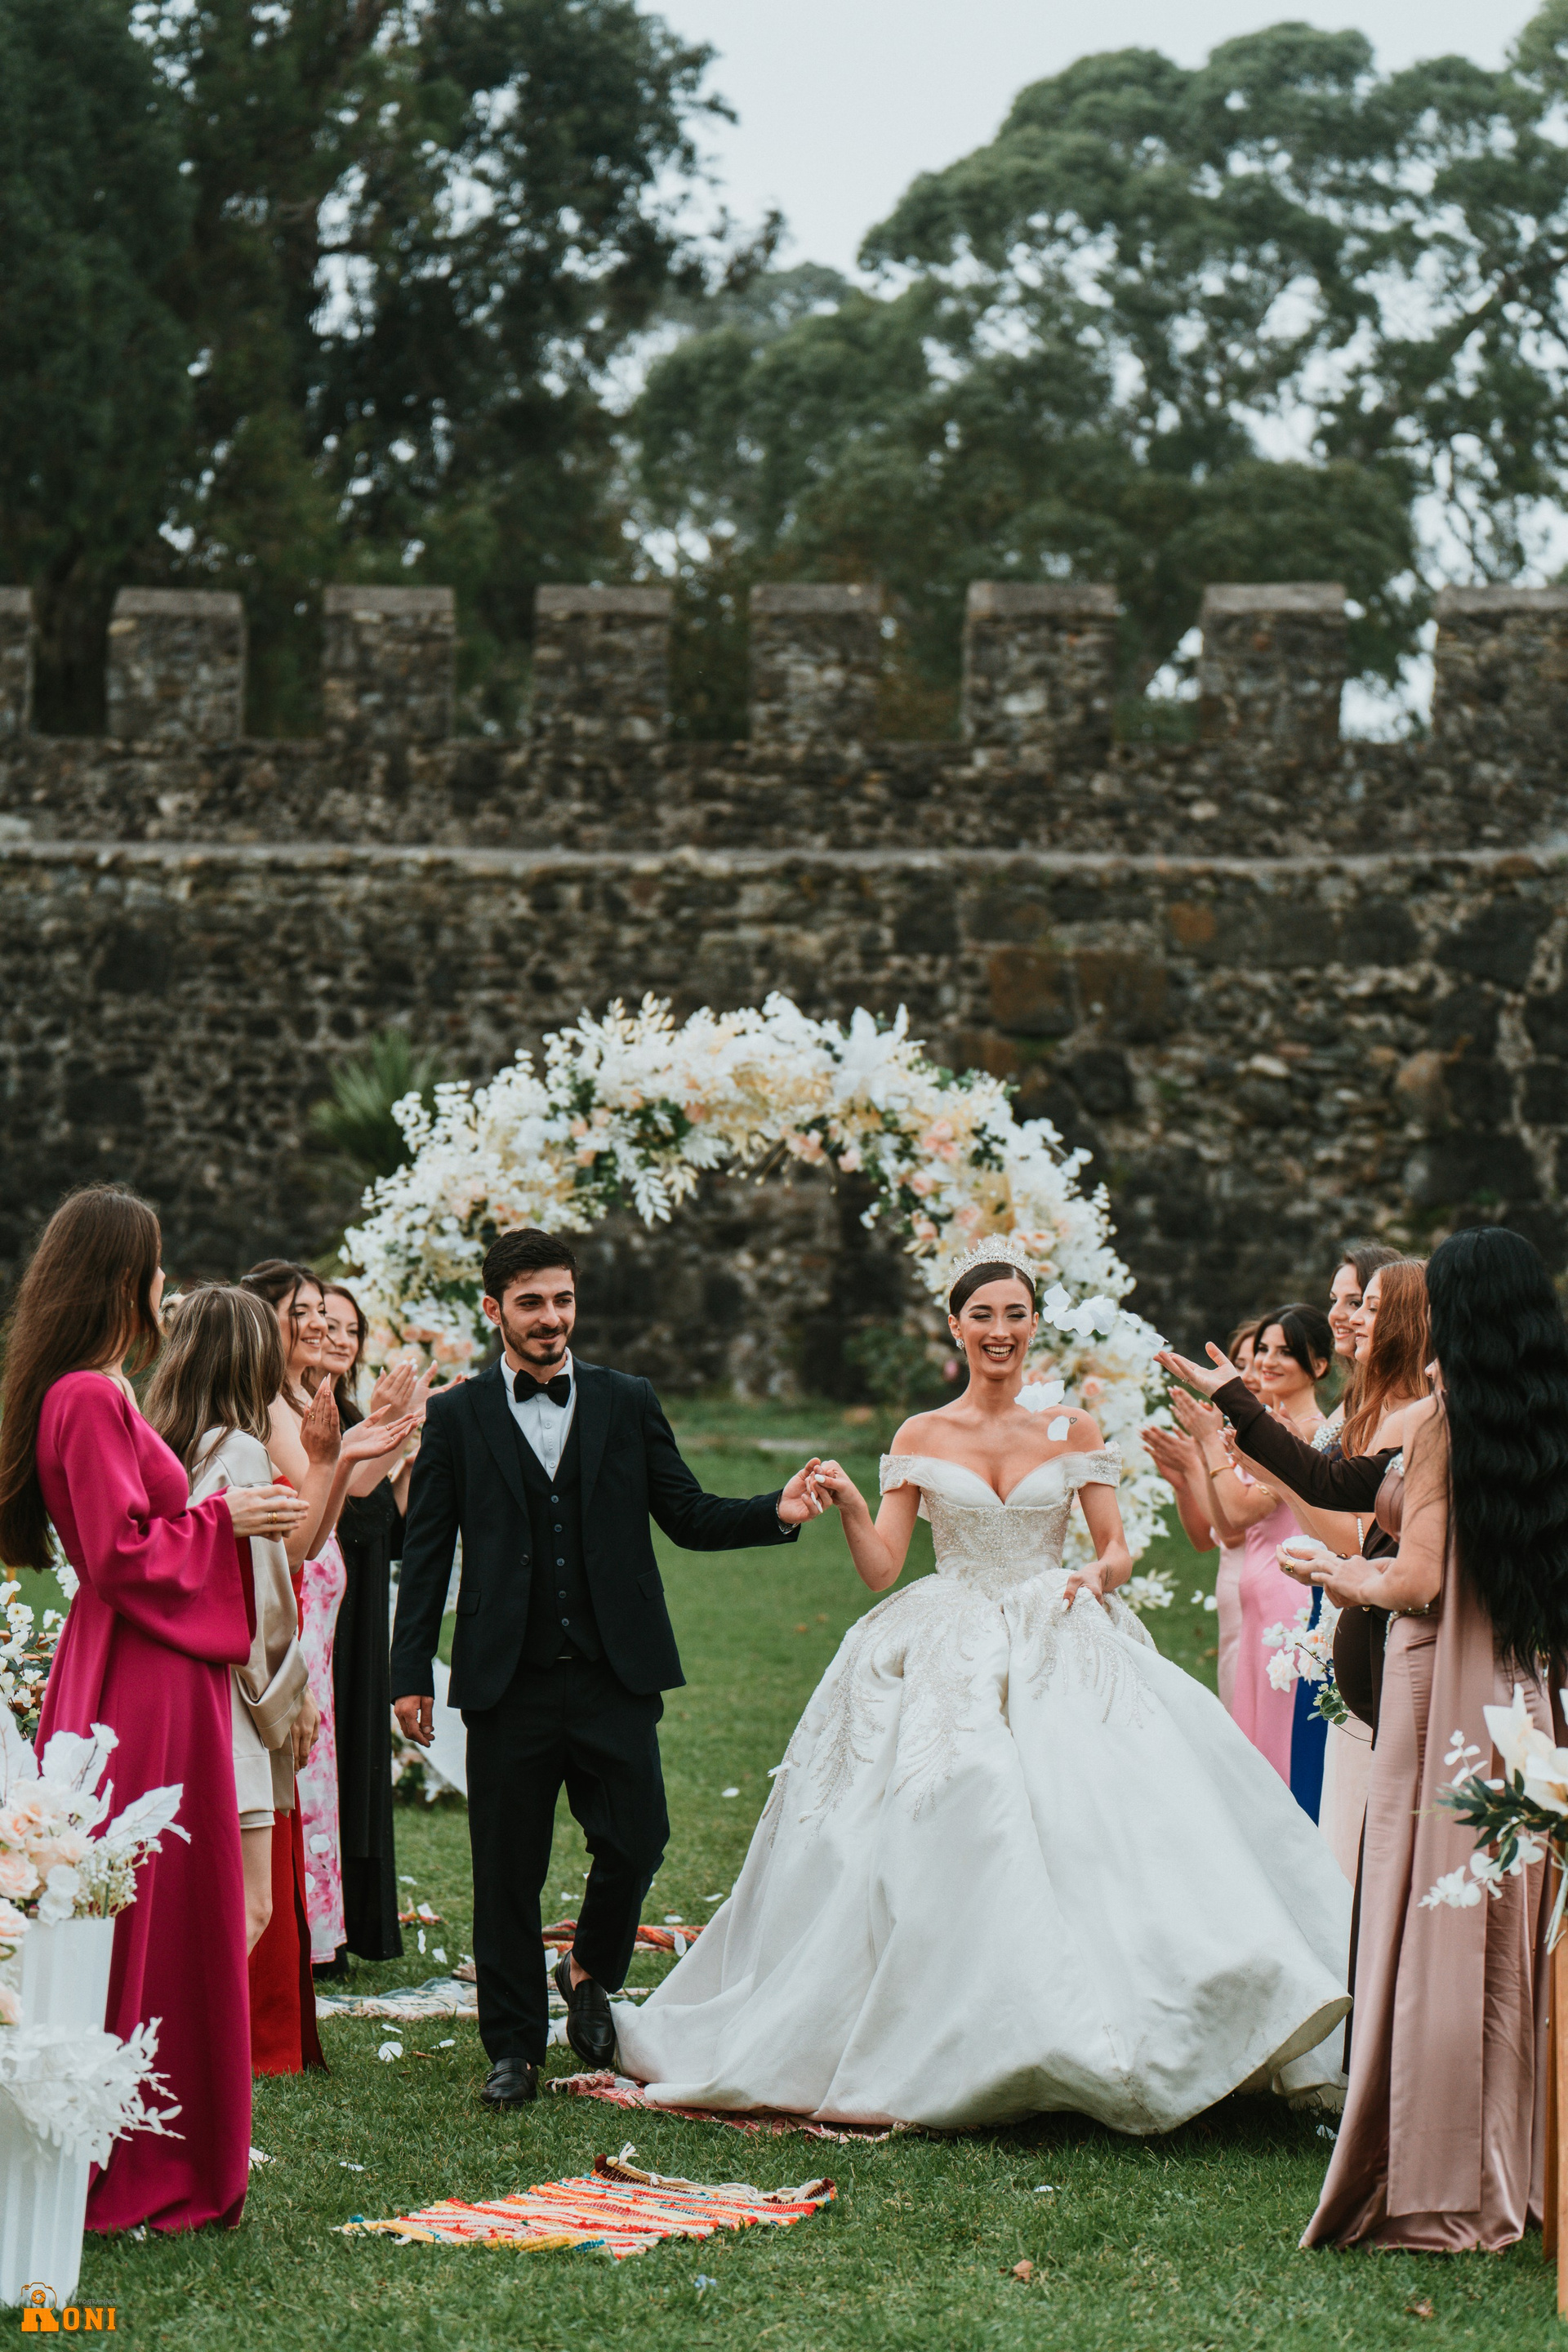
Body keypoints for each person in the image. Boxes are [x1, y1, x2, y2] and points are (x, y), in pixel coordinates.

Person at [612, 1241, 1352, 2133]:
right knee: (960, 1802)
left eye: (1015, 1315)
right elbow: (883, 1569)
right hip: (946, 1633)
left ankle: (1141, 2014)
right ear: (956, 1327)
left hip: (1057, 1625)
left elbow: (1116, 1547)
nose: (1000, 1331)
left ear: (1034, 1326)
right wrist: (854, 1506)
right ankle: (956, 2023)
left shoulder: (1075, 1428)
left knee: (1109, 1824)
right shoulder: (919, 1436)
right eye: (983, 1316)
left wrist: (1097, 1576)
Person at [390, 1227, 824, 2111]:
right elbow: (426, 1554)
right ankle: (514, 2050)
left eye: (563, 1300)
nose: (551, 1318)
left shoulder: (628, 1401)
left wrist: (773, 1511)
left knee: (638, 1837)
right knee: (505, 1870)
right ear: (494, 1310)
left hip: (614, 1671)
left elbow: (687, 1513)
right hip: (504, 1679)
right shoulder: (456, 1417)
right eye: (531, 1303)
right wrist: (408, 1674)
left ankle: (589, 1967)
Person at [0, 1187, 309, 2233]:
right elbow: (119, 1553)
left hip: (144, 1660)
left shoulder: (91, 1389)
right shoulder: (90, 1395)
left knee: (168, 1902)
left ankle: (153, 2130)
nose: (167, 1281)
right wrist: (226, 1518)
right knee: (160, 1906)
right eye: (156, 1261)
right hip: (145, 1670)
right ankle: (142, 2149)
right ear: (123, 1277)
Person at [1290, 1227, 1568, 2253]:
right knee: (1511, 1926)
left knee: (1425, 1910)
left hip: (1436, 1688)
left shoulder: (1449, 1425)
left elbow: (1417, 1579)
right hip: (1524, 1699)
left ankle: (1432, 2169)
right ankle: (1516, 2158)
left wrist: (1338, 1577)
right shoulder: (1549, 1422)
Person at [1160, 1263, 1432, 1873]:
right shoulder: (1368, 1412)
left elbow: (1351, 1526)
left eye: (1365, 1304)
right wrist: (1268, 1466)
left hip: (1369, 1627)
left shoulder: (1415, 1418)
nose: (1349, 1317)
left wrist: (1238, 1444)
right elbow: (1316, 1492)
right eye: (1346, 1302)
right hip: (1327, 1617)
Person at [238, 1260, 415, 2055]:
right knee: (286, 1800)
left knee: (307, 1797)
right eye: (302, 1311)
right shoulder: (267, 1407)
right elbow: (310, 1514)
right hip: (288, 1629)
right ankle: (282, 1961)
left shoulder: (296, 1401)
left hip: (313, 1613)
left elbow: (330, 1508)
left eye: (322, 1310)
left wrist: (377, 1435)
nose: (317, 1323)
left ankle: (308, 1945)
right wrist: (368, 1440)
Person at [141, 1285, 314, 1953]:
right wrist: (291, 1697)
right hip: (231, 1696)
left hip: (166, 1687)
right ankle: (196, 2025)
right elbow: (265, 1598)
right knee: (248, 1907)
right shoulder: (240, 1452)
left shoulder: (162, 1447)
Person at [1174, 1306, 1334, 1811]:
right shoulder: (1269, 1429)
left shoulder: (1310, 1431)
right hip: (1257, 1603)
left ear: (1319, 1365)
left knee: (1280, 1750)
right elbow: (1225, 1529)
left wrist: (1207, 1443)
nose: (1267, 1360)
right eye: (1263, 1348)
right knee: (1252, 1742)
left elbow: (1241, 1513)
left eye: (1286, 1351)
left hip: (1289, 1601)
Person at [318, 1282, 432, 1964]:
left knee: (355, 1762)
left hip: (360, 1613)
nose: (341, 1338)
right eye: (327, 1324)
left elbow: (383, 1527)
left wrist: (412, 1448)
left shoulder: (353, 1413)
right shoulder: (299, 1416)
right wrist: (397, 1426)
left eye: (352, 1329)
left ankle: (351, 1921)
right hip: (320, 1613)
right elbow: (342, 1497)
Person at [1142, 1321, 1258, 1709]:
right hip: (1231, 1593)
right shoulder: (1232, 1440)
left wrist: (1197, 1461)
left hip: (1260, 1591)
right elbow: (1204, 1538)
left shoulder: (1271, 1440)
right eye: (1239, 1363)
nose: (1245, 1374)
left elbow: (1233, 1532)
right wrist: (1183, 1483)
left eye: (1254, 1362)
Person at [1323, 1241, 1403, 1437]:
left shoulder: (1397, 1400)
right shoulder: (1354, 1392)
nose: (1334, 1314)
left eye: (1354, 1302)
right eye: (1334, 1301)